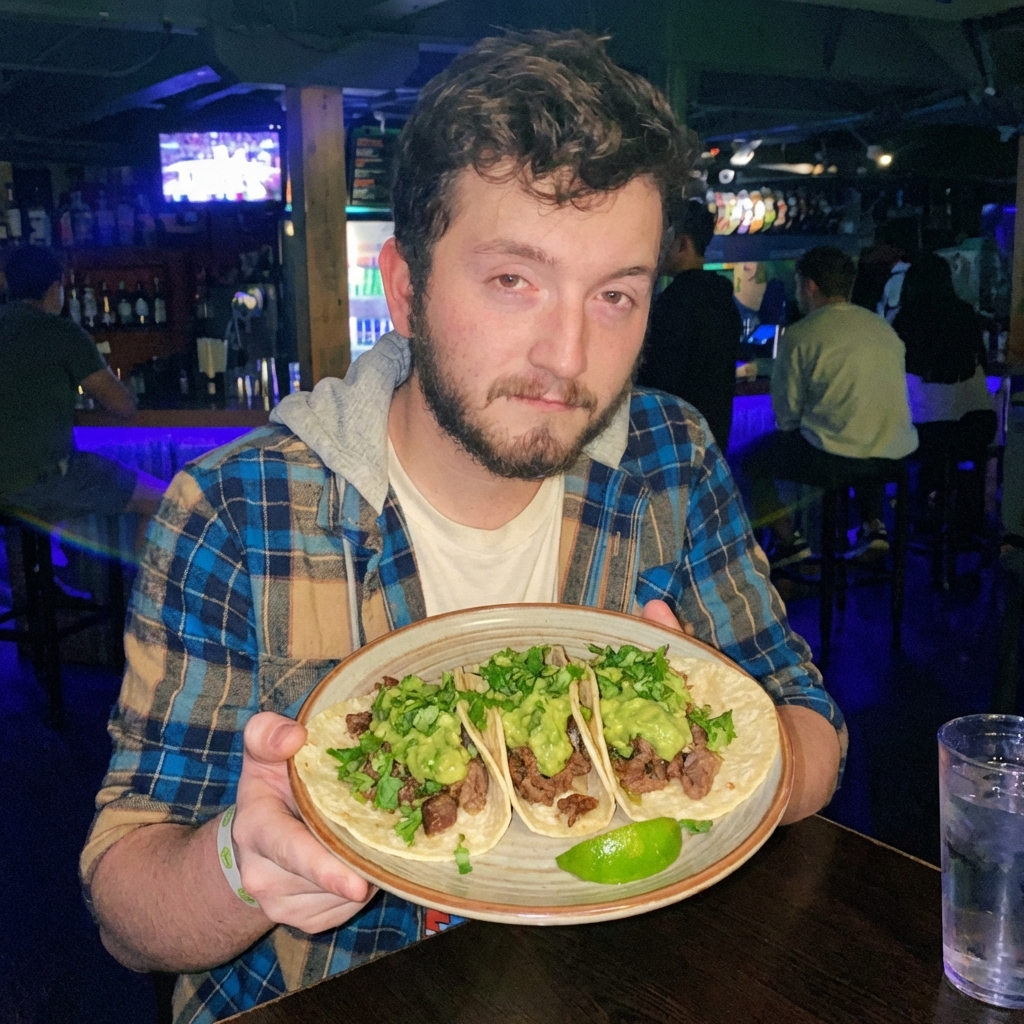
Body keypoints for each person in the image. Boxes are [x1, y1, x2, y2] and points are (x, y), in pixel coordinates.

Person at [83, 31, 845, 1024]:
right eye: (513, 281)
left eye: (613, 295)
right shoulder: (237, 512)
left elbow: (814, 735)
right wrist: (243, 861)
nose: (567, 355)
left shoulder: (670, 456)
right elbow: (125, 906)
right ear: (403, 289)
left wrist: (724, 725)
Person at [742, 246, 919, 566]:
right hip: (896, 449)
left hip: (836, 455)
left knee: (746, 461)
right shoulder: (883, 328)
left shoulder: (799, 335)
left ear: (809, 285)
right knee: (862, 434)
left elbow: (786, 419)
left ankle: (789, 542)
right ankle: (874, 528)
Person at [0, 247, 166, 531]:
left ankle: (44, 570)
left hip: (11, 486)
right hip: (43, 481)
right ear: (55, 288)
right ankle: (143, 578)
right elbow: (122, 406)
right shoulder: (61, 332)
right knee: (166, 502)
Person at [892, 253, 996, 533]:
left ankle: (922, 517)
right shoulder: (967, 315)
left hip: (926, 430)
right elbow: (983, 363)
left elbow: (893, 375)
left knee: (927, 439)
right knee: (948, 445)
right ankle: (966, 520)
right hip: (979, 425)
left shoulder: (903, 320)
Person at [637, 197, 743, 449]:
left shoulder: (675, 304)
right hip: (712, 437)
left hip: (673, 440)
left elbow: (658, 382)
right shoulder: (723, 300)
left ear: (682, 244)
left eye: (662, 241)